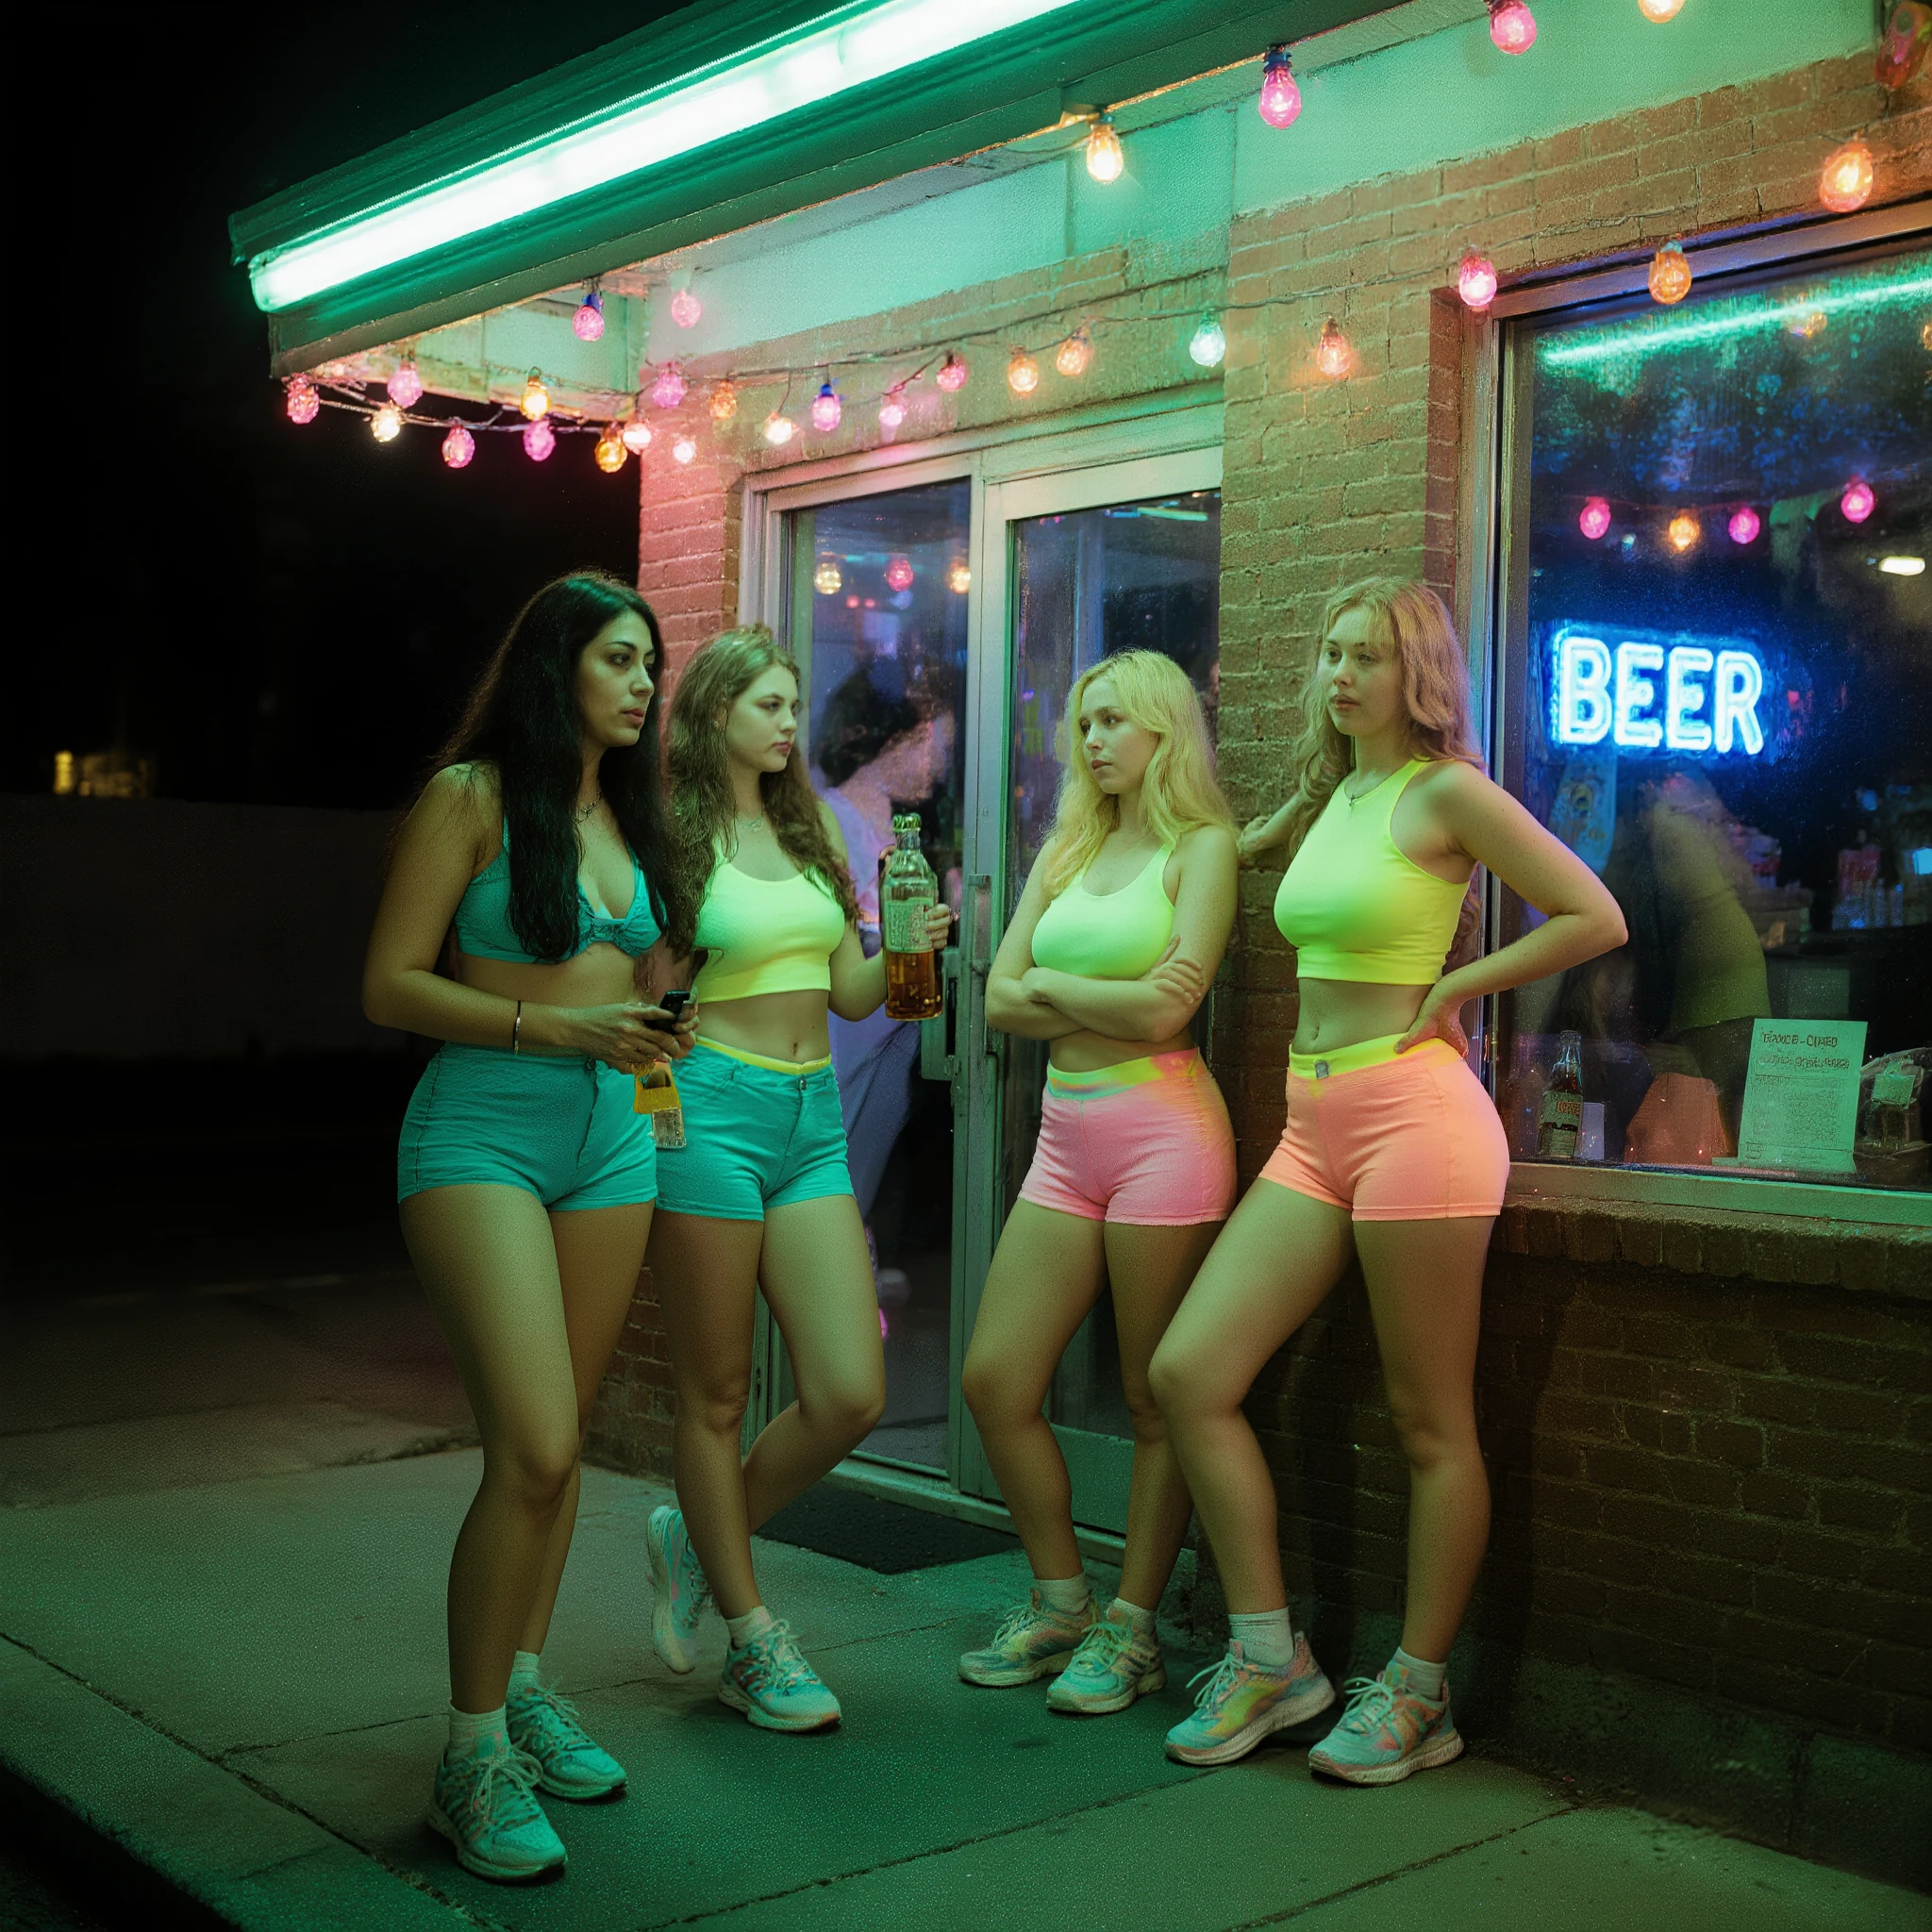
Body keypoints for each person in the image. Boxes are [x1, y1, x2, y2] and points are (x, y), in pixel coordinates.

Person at [1148, 578, 1625, 1785]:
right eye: (1328, 649)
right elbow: (1220, 844)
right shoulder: (1339, 792)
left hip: (1416, 1116)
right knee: (1188, 1371)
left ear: (1414, 671)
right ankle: (1271, 1658)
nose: (1340, 671)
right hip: (1315, 1119)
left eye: (1366, 653)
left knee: (1429, 1420)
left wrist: (1461, 988)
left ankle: (1418, 1690)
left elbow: (1591, 912)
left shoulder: (1444, 789)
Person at [362, 572, 695, 1881]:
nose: (641, 684)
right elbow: (389, 983)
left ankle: (528, 1686)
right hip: (481, 1138)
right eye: (620, 659)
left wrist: (669, 1019)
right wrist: (556, 1026)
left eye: (649, 666)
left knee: (561, 1456)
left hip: (615, 1139)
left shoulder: (630, 817)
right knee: (537, 1444)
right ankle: (470, 1753)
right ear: (557, 666)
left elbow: (653, 997)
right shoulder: (472, 800)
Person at [641, 625, 953, 1730]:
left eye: (790, 703)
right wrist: (653, 1102)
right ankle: (750, 1634)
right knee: (718, 1393)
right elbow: (650, 994)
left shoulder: (812, 826)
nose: (789, 721)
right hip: (710, 1113)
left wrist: (912, 951)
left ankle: (693, 1531)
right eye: (767, 703)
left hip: (809, 1114)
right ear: (716, 710)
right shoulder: (673, 838)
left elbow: (861, 995)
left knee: (847, 1387)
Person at [958, 650, 1238, 1714]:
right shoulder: (1069, 843)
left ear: (1163, 728)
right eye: (1082, 721)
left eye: (1113, 720)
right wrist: (1108, 993)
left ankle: (1130, 1630)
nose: (1091, 740)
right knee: (995, 1377)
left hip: (1164, 1130)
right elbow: (994, 999)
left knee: (1151, 1394)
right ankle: (1062, 1597)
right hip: (1063, 1134)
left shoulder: (1200, 845)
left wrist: (1055, 991)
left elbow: (1170, 1014)